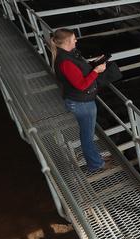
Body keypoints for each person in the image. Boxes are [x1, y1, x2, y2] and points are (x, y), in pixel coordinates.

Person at [51, 28, 108, 172]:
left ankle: (95, 159)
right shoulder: (65, 61)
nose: (76, 40)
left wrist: (94, 63)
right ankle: (95, 164)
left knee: (87, 133)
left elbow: (78, 73)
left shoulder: (66, 56)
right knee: (87, 135)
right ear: (67, 42)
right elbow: (81, 85)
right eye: (74, 39)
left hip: (80, 101)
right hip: (82, 103)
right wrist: (96, 71)